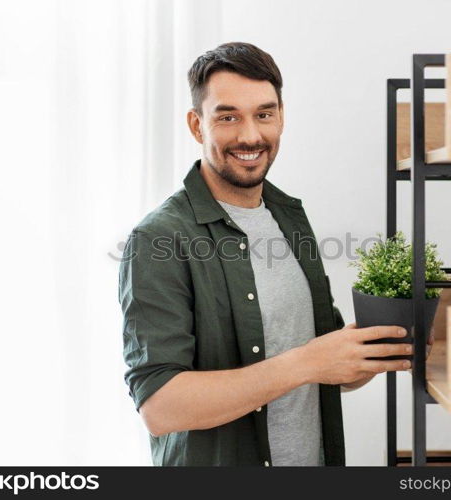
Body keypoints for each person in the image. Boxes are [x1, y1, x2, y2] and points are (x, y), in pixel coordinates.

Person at [118, 41, 433, 466]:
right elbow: (160, 408)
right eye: (228, 117)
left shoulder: (290, 217)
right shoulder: (158, 239)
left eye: (264, 114)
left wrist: (375, 351)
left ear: (281, 118)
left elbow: (327, 369)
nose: (250, 135)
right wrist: (307, 363)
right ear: (197, 126)